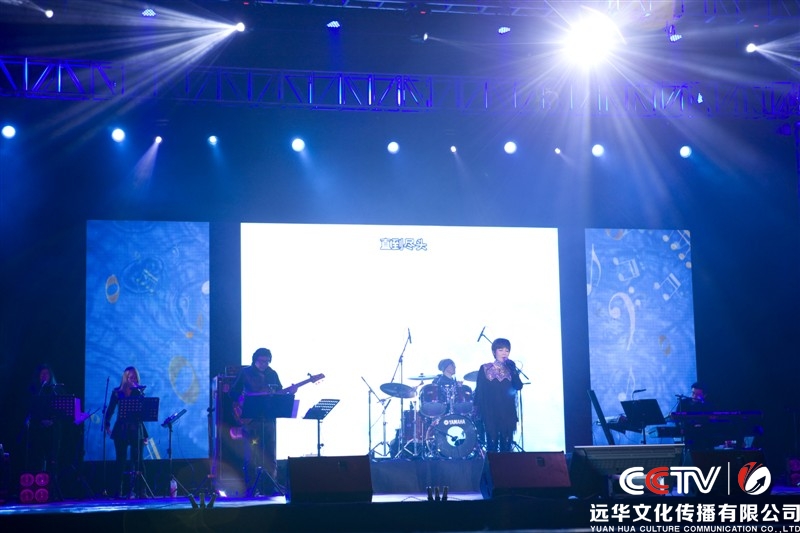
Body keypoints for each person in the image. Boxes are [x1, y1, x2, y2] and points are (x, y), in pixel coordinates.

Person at [229, 348, 296, 496]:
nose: (264, 364)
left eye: (267, 361)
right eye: (261, 361)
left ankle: (270, 487)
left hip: (268, 420)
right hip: (251, 421)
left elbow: (279, 394)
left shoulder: (272, 374)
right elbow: (232, 392)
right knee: (251, 455)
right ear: (255, 360)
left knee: (270, 455)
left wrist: (289, 392)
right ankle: (251, 488)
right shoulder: (245, 372)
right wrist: (242, 399)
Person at [104, 366, 149, 498]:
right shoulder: (117, 392)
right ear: (125, 378)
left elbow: (142, 414)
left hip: (136, 429)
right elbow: (110, 410)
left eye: (135, 377)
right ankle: (118, 491)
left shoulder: (138, 392)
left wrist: (144, 435)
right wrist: (107, 424)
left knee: (139, 460)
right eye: (130, 377)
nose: (133, 379)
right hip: (121, 430)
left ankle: (141, 491)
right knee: (120, 461)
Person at [474, 338, 523, 453]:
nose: (504, 353)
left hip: (507, 412)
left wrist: (513, 370)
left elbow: (518, 386)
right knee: (492, 445)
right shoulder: (485, 368)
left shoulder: (511, 369)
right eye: (500, 350)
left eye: (507, 350)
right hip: (490, 412)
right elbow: (479, 390)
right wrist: (477, 410)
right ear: (494, 352)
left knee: (506, 446)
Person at [26, 364, 64, 475]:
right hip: (38, 430)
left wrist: (52, 421)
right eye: (42, 373)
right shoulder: (34, 390)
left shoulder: (57, 390)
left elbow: (62, 411)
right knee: (37, 459)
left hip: (53, 431)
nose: (44, 376)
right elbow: (30, 410)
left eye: (46, 373)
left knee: (52, 460)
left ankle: (52, 483)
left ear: (50, 376)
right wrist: (40, 421)